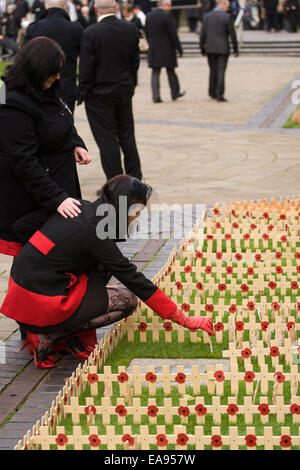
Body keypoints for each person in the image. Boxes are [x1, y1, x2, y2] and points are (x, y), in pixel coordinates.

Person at [0, 175, 215, 368]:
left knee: (100, 267)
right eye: (137, 212)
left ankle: (54, 329)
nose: (137, 218)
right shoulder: (97, 233)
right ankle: (51, 333)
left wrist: (42, 258)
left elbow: (22, 226)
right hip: (41, 301)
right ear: (124, 209)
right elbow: (132, 278)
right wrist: (184, 320)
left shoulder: (79, 207)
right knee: (127, 301)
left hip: (20, 292)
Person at [0, 37, 91, 258]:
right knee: (36, 258)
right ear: (36, 70)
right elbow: (23, 160)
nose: (58, 76)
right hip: (33, 194)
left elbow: (62, 119)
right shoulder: (11, 101)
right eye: (53, 72)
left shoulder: (46, 88)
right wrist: (56, 198)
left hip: (59, 181)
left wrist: (76, 143)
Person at [78, 0, 143, 182]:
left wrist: (83, 91)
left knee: (107, 140)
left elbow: (86, 67)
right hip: (123, 89)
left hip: (99, 94)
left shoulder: (91, 33)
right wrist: (130, 83)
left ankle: (116, 180)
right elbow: (135, 61)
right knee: (127, 135)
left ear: (96, 9)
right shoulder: (130, 29)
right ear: (115, 8)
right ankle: (135, 176)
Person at [24, 0, 83, 114]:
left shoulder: (34, 28)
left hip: (39, 85)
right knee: (66, 124)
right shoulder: (76, 30)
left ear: (46, 7)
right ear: (65, 8)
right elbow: (85, 60)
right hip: (66, 86)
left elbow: (24, 58)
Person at [145, 0, 185, 103]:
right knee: (171, 72)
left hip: (154, 48)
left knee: (155, 73)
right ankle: (175, 93)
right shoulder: (167, 16)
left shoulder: (149, 16)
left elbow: (147, 32)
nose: (170, 7)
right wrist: (179, 48)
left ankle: (156, 96)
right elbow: (173, 33)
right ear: (164, 5)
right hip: (167, 49)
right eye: (169, 5)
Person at [200, 0, 238, 102]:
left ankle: (212, 92)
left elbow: (203, 34)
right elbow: (232, 34)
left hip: (211, 48)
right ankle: (219, 94)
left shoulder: (207, 16)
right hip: (223, 48)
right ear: (223, 4)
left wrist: (202, 47)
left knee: (213, 70)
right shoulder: (226, 17)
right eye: (227, 7)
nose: (228, 9)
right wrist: (235, 49)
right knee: (221, 71)